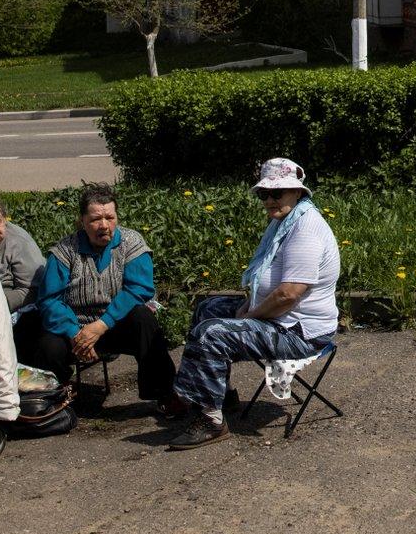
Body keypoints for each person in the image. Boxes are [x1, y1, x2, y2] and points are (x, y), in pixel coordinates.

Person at [164, 158, 340, 450]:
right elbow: (267, 280)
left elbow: (289, 294)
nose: (269, 200)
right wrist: (249, 304)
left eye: (277, 192)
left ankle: (210, 422)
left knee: (212, 333)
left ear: (297, 192)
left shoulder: (305, 229)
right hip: (281, 320)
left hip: (300, 333)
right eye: (264, 194)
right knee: (207, 309)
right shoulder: (284, 222)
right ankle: (218, 396)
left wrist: (250, 315)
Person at [17, 184, 180, 410]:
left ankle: (165, 393)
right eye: (95, 219)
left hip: (114, 324)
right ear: (82, 220)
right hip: (74, 329)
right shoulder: (65, 251)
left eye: (109, 217)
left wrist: (102, 325)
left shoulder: (131, 243)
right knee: (48, 345)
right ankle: (54, 399)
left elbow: (139, 289)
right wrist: (76, 333)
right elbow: (49, 299)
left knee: (144, 320)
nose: (104, 225)